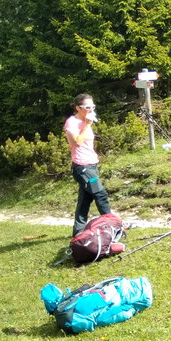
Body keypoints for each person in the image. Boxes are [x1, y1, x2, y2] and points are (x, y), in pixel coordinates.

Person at [64, 94, 112, 237]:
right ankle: (112, 226)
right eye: (88, 107)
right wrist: (87, 125)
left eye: (93, 106)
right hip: (82, 167)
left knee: (85, 201)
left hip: (92, 165)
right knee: (100, 194)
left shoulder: (85, 120)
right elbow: (77, 142)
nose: (91, 109)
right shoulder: (72, 122)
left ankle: (78, 233)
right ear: (78, 108)